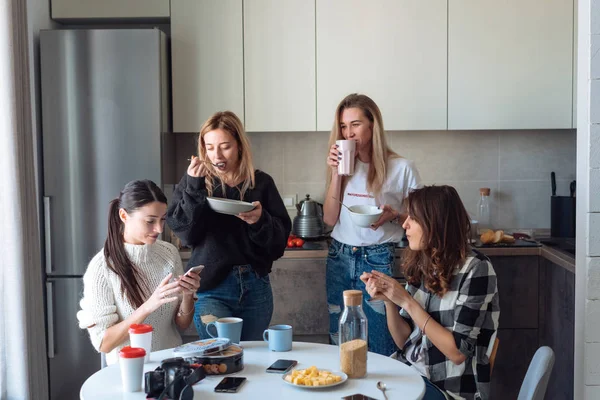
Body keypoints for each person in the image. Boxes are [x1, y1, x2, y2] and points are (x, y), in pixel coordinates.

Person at [361, 185, 500, 400]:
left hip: (450, 390)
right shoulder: (424, 263)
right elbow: (404, 341)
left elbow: (458, 353)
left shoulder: (477, 269)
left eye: (413, 219)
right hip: (411, 374)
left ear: (435, 224)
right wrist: (389, 300)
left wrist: (406, 301)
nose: (405, 224)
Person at [167, 111, 291, 341]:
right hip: (211, 287)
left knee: (253, 359)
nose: (216, 155)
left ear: (240, 146)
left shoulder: (260, 183)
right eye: (210, 147)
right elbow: (185, 234)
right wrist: (194, 187)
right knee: (220, 354)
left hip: (255, 286)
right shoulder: (194, 180)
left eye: (225, 146)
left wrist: (259, 221)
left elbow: (278, 246)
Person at [323, 93, 422, 356]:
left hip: (378, 259)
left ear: (372, 125)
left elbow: (423, 223)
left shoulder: (402, 168)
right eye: (343, 127)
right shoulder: (343, 165)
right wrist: (336, 175)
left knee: (381, 343)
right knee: (341, 342)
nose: (348, 133)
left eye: (355, 124)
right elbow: (329, 219)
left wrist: (395, 216)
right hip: (340, 256)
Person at [77, 180, 200, 365]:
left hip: (171, 365)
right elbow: (104, 343)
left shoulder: (169, 253)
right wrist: (148, 306)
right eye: (150, 221)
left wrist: (188, 295)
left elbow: (181, 325)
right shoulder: (102, 267)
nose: (159, 229)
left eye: (163, 219)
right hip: (129, 372)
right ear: (124, 216)